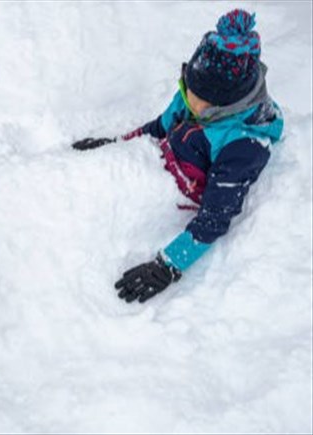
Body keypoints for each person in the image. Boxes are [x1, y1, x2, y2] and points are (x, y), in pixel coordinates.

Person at [72, 9, 284, 303]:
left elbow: (214, 218)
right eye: (189, 87)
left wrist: (168, 265)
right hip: (159, 166)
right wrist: (117, 144)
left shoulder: (243, 145)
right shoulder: (193, 93)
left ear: (226, 105)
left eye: (200, 97)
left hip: (180, 198)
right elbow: (160, 127)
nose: (188, 98)